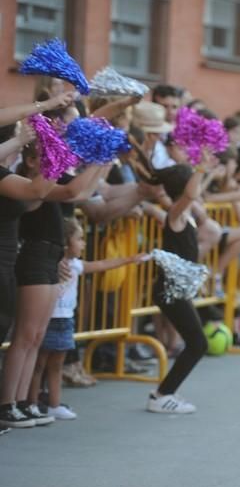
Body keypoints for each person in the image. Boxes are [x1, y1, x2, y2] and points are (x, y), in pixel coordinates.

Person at [0, 148, 106, 429]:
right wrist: (65, 160)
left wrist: (101, 159)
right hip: (33, 256)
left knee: (36, 336)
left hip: (50, 256)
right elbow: (65, 192)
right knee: (24, 336)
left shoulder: (47, 180)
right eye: (45, 156)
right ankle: (7, 403)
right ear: (31, 160)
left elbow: (81, 192)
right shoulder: (27, 183)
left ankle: (24, 401)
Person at [27, 218, 145, 420]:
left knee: (57, 364)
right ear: (65, 243)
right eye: (80, 239)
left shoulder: (75, 265)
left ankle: (54, 404)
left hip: (66, 320)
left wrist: (128, 259)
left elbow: (101, 265)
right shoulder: (51, 265)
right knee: (38, 365)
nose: (84, 243)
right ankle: (31, 404)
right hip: (48, 319)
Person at [145, 157, 216, 414]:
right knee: (198, 343)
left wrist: (204, 173)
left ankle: (164, 392)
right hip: (169, 291)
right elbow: (189, 194)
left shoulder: (182, 212)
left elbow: (192, 195)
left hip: (176, 290)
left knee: (197, 342)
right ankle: (163, 394)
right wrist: (200, 169)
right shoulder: (176, 212)